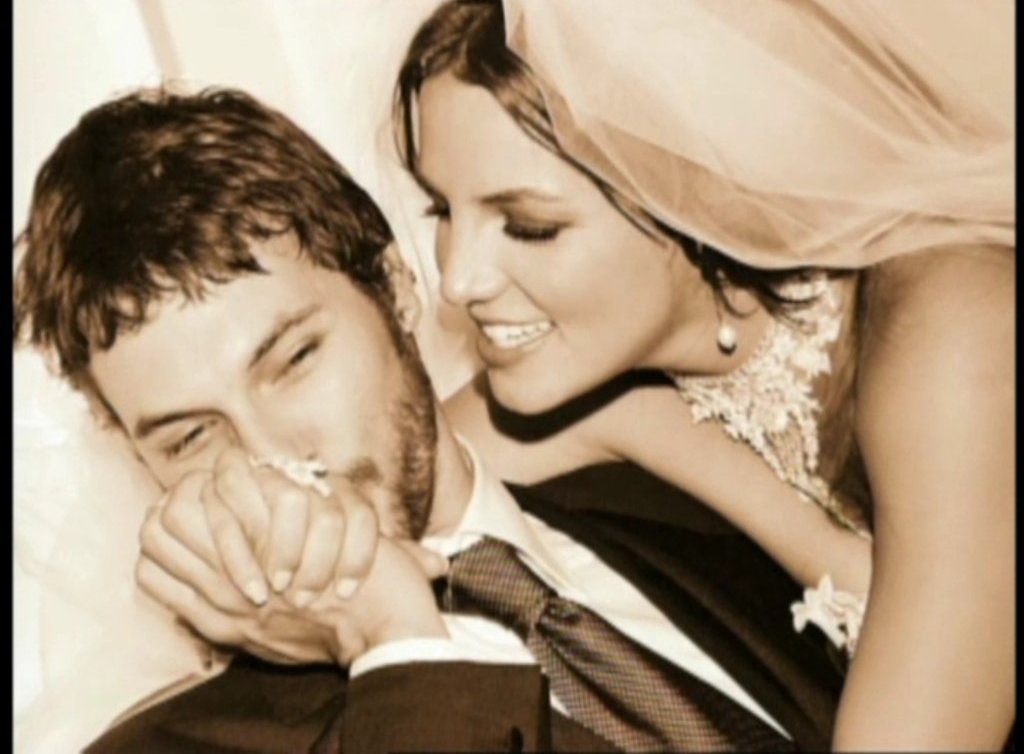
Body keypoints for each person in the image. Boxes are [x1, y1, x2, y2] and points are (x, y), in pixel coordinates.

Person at [13, 85, 846, 752]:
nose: (272, 457)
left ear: (395, 287)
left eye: (295, 361)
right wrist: (393, 638)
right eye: (192, 437)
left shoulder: (671, 486)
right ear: (135, 459)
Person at [392, 0, 1014, 750]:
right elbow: (383, 479)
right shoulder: (622, 391)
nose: (457, 280)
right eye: (443, 211)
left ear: (688, 190)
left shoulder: (955, 331)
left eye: (529, 227)